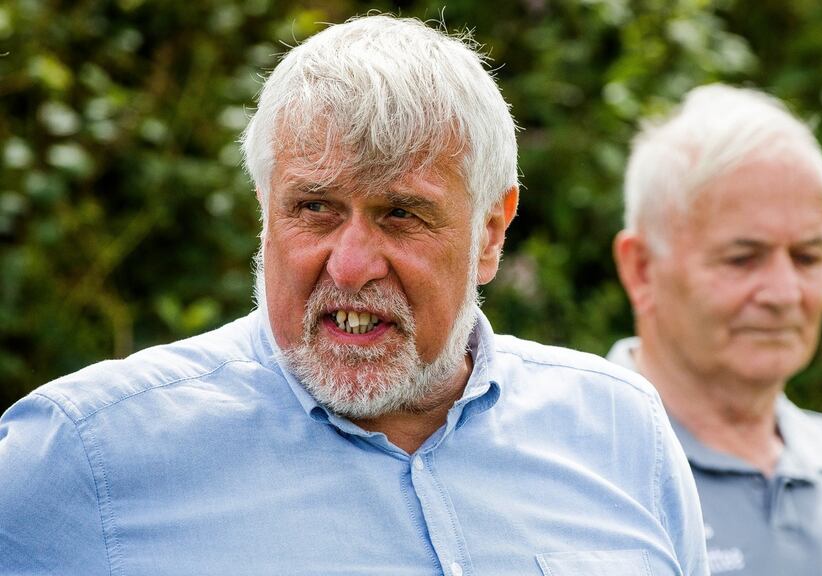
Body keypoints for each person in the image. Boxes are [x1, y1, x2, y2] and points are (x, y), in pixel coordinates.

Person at [0, 16, 709, 576]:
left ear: (491, 232)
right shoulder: (85, 453)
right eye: (314, 208)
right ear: (264, 209)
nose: (351, 264)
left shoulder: (620, 431)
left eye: (401, 213)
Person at [609, 84, 822, 576]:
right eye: (743, 258)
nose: (785, 292)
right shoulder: (580, 466)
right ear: (641, 269)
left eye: (808, 256)